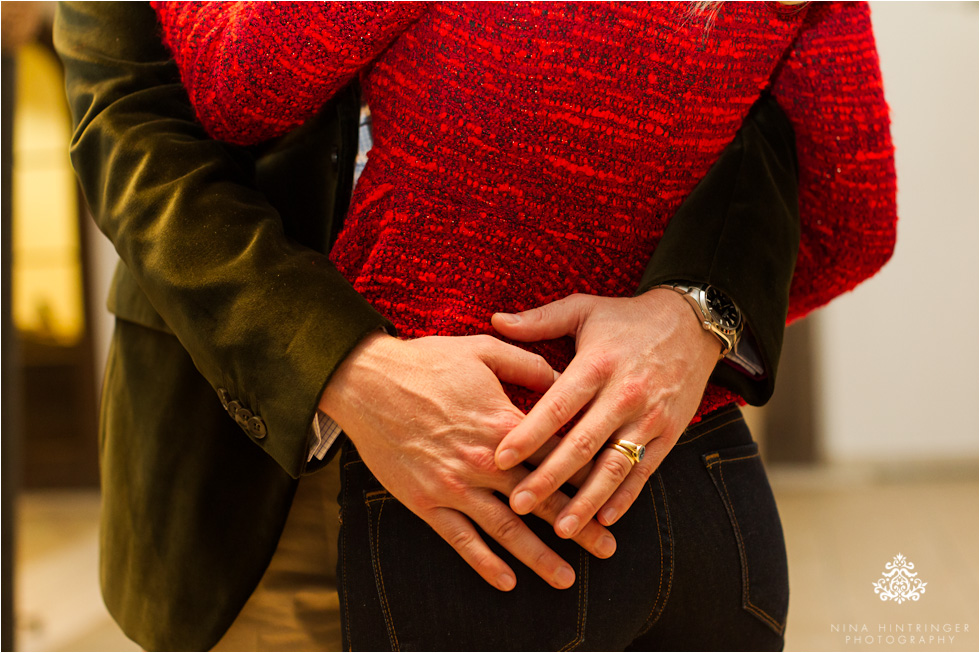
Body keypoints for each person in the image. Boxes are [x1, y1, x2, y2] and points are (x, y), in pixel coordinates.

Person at [52, 2, 845, 651]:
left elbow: (760, 108)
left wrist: (696, 308)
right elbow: (133, 135)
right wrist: (342, 367)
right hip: (258, 457)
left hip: (595, 422)